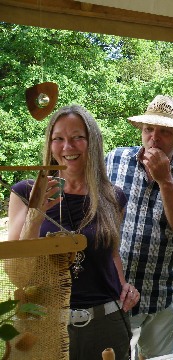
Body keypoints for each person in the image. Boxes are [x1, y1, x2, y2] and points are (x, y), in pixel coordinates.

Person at [8, 104, 139, 359]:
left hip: (106, 321)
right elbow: (16, 273)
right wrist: (36, 216)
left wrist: (125, 286)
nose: (67, 147)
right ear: (50, 143)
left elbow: (112, 254)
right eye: (59, 138)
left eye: (78, 137)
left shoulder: (113, 197)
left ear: (93, 141)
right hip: (42, 325)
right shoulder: (25, 192)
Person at [105, 95, 173, 359]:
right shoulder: (115, 159)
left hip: (163, 291)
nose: (154, 138)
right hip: (116, 288)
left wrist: (165, 180)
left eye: (165, 132)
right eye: (149, 129)